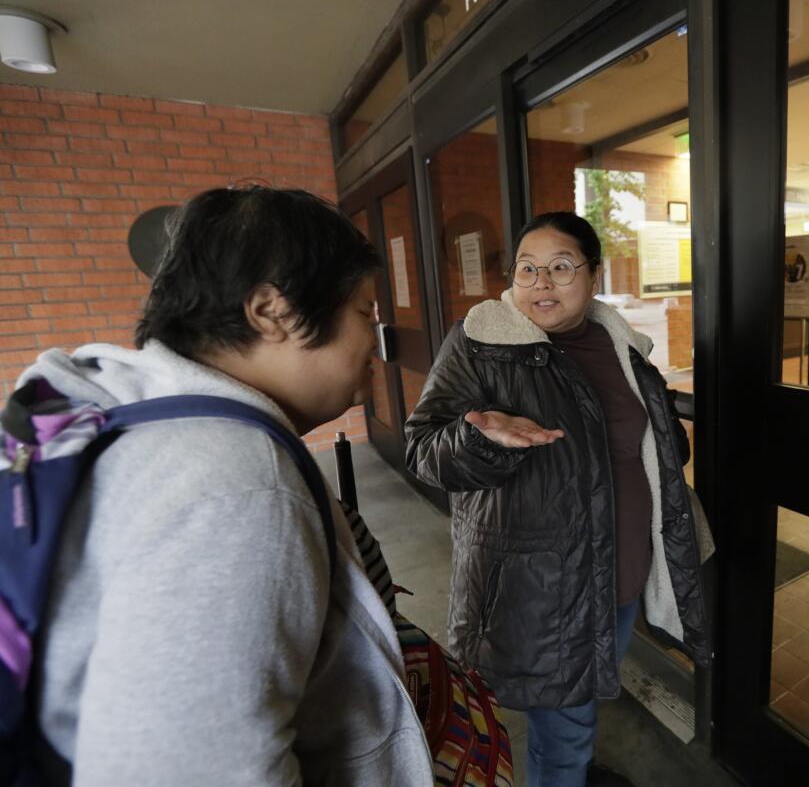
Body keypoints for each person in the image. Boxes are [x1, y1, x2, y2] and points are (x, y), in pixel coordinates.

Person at [26, 186, 433, 785]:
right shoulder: (235, 489)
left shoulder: (154, 421)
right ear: (272, 311)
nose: (372, 343)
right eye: (361, 314)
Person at [404, 212, 710, 786]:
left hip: (619, 578)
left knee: (579, 709)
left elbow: (649, 442)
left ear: (593, 275)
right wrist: (481, 440)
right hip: (544, 588)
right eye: (528, 268)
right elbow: (423, 450)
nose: (542, 282)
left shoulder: (620, 342)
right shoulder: (480, 342)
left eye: (561, 267)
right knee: (564, 734)